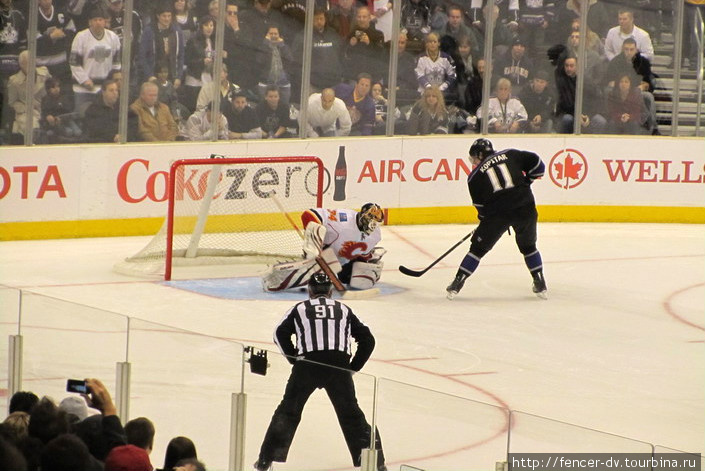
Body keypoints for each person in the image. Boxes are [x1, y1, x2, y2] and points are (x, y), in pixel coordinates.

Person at [254, 273, 386, 471]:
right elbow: (368, 340)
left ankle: (266, 460)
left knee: (288, 411)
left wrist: (294, 360)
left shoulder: (300, 308)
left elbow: (279, 334)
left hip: (307, 363)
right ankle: (377, 464)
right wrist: (352, 368)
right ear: (330, 292)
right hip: (338, 365)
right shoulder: (344, 308)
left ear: (310, 291)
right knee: (352, 415)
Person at [446, 138, 547, 300]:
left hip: (498, 215)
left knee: (477, 250)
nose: (473, 162)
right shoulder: (511, 154)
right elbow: (538, 166)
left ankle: (457, 282)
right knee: (529, 247)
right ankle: (539, 280)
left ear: (479, 155)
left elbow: (481, 209)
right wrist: (527, 181)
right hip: (525, 207)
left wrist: (487, 222)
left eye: (474, 158)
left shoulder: (474, 177)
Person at [262, 203, 385, 291]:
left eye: (376, 222)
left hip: (343, 262)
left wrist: (366, 261)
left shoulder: (375, 235)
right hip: (325, 255)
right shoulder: (343, 219)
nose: (374, 225)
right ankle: (276, 275)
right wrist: (315, 246)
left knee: (361, 282)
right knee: (315, 270)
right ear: (364, 217)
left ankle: (374, 258)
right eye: (372, 220)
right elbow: (308, 215)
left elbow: (362, 255)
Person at [69, 4, 122, 116]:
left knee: (102, 118)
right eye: (95, 20)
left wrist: (115, 79)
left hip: (103, 89)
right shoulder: (81, 37)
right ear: (90, 22)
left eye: (100, 20)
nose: (98, 22)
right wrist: (84, 80)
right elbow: (74, 63)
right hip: (83, 89)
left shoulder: (113, 37)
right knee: (83, 118)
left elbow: (116, 63)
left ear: (105, 21)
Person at [7, 50, 51, 144]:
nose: (31, 65)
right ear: (21, 65)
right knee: (30, 126)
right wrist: (26, 108)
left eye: (33, 62)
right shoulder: (14, 81)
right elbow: (12, 102)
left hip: (44, 107)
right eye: (27, 63)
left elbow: (51, 86)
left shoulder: (44, 72)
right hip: (25, 111)